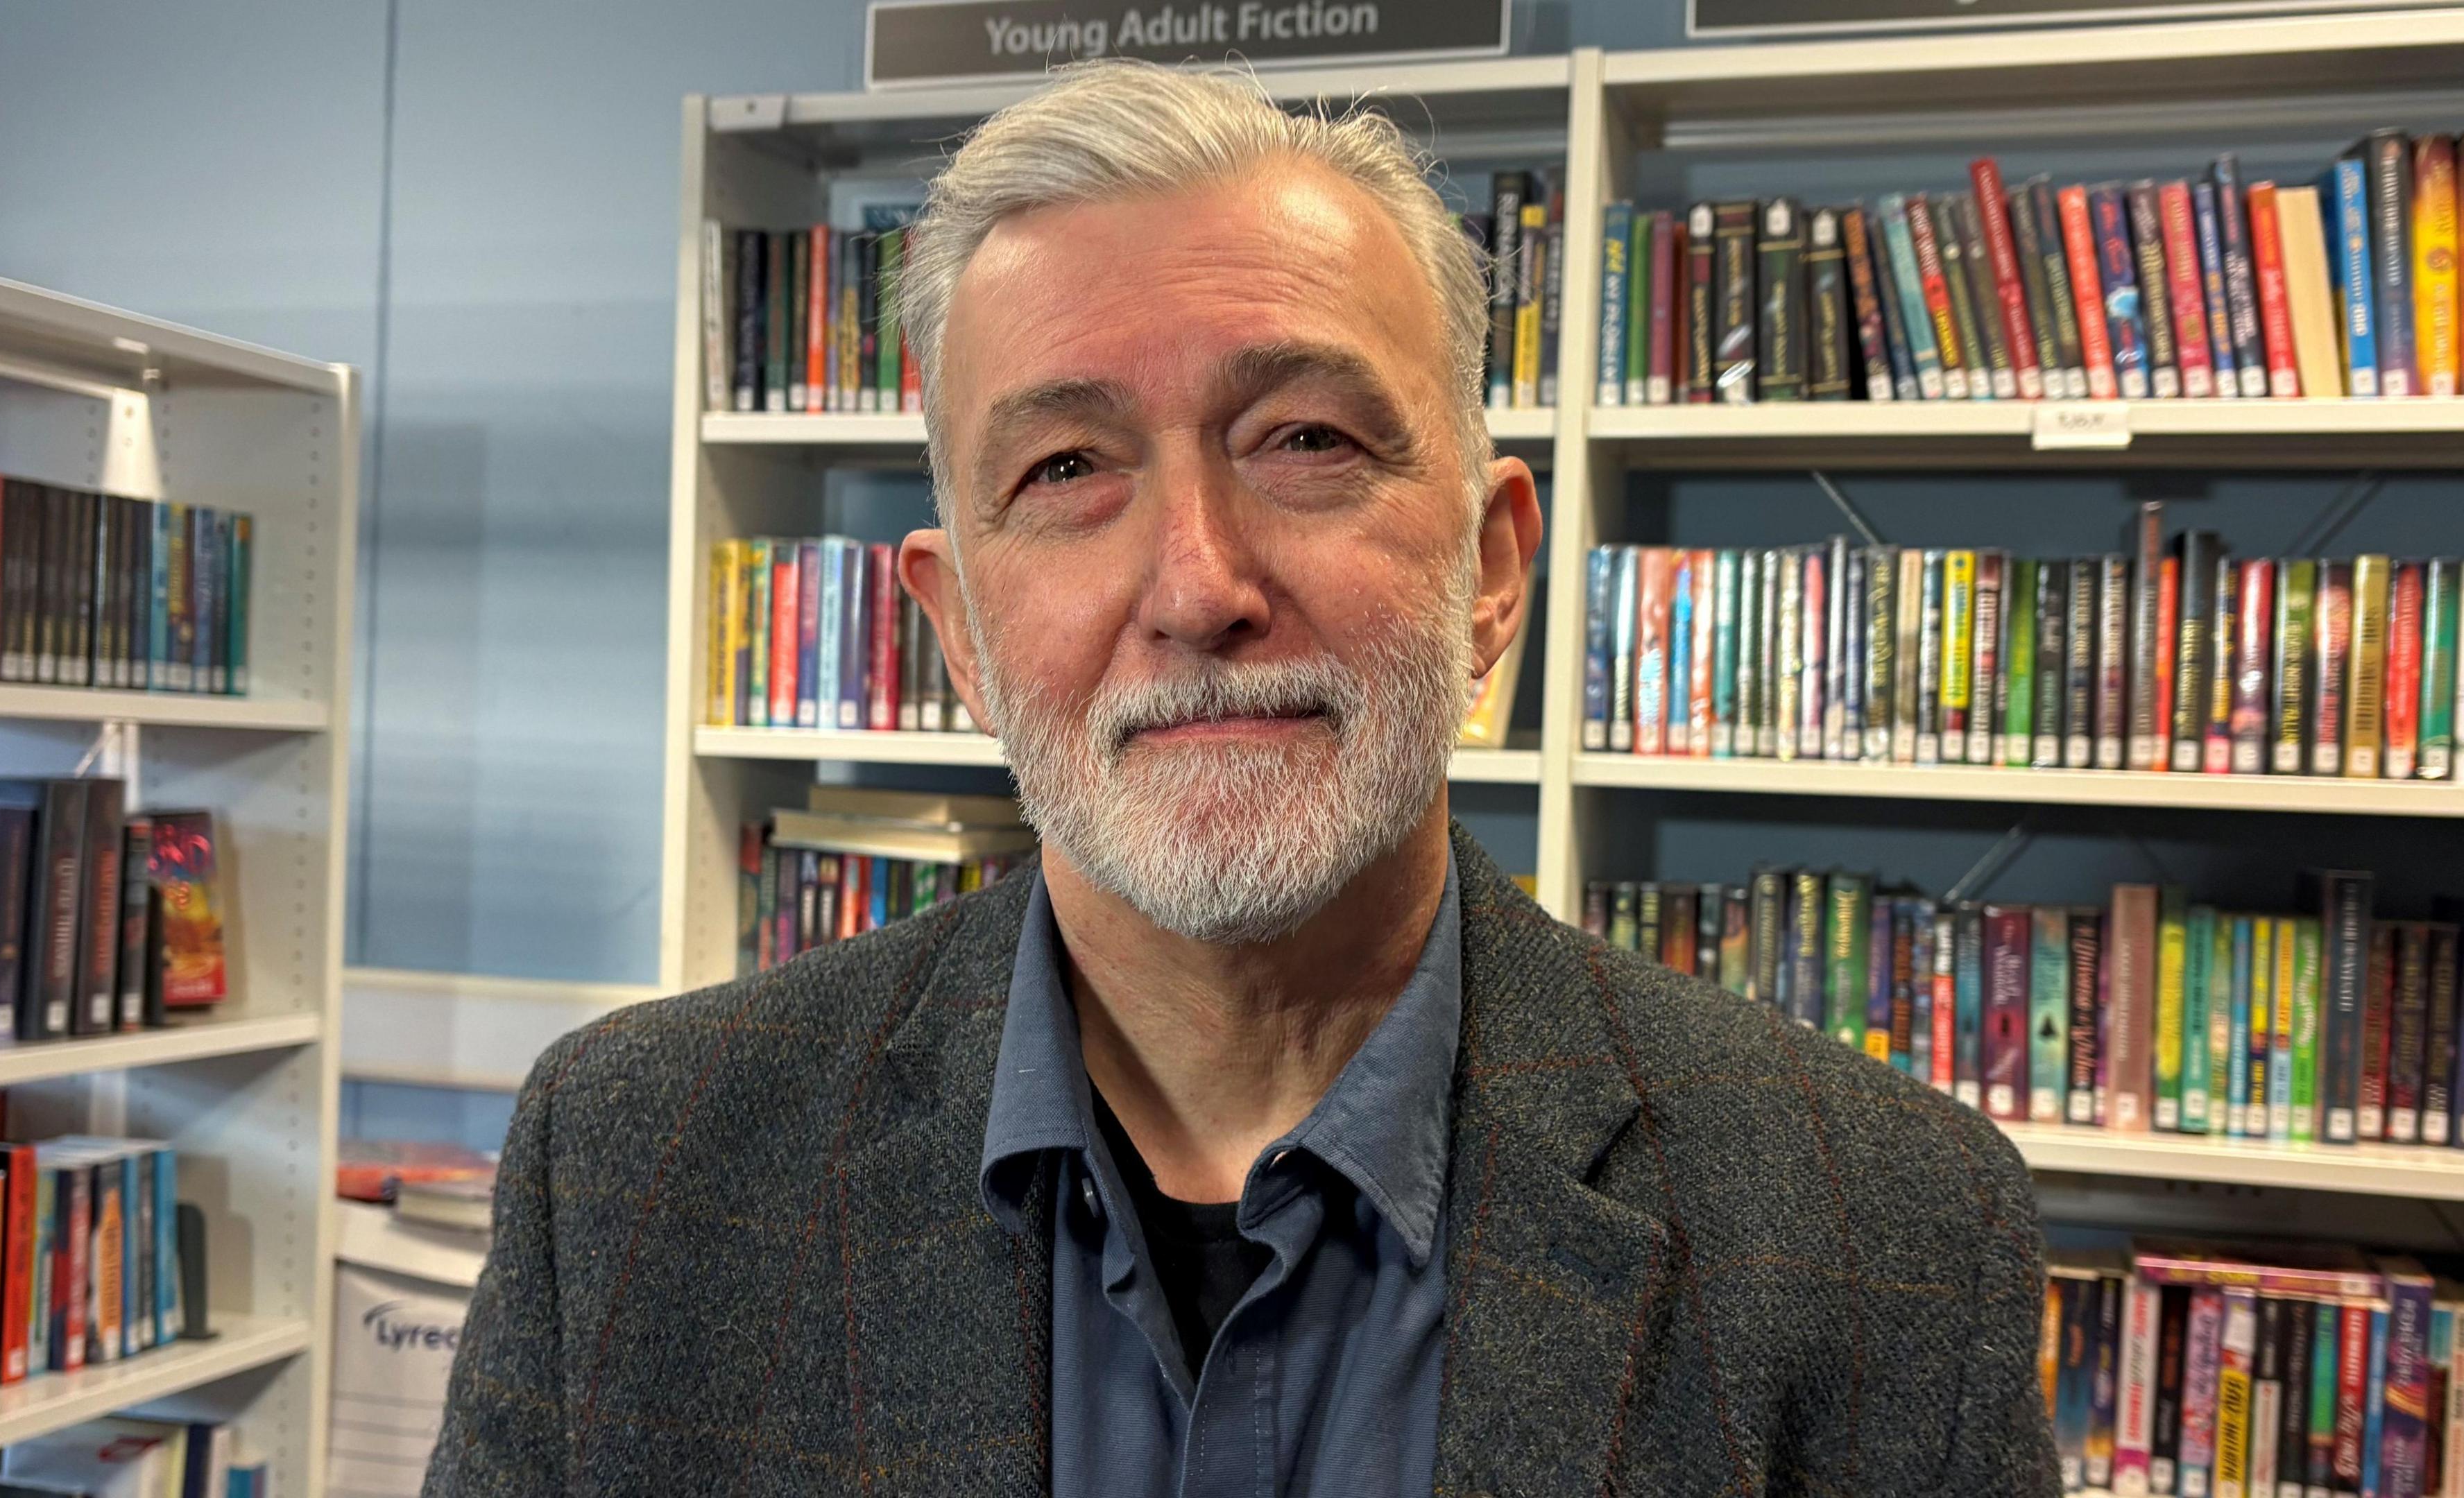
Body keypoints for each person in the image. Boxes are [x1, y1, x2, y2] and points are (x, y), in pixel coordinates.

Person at [425, 60, 2057, 1498]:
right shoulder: (635, 1175)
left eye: (1307, 442)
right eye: (1066, 469)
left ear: (1493, 574)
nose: (1199, 583)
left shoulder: (1887, 1237)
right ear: (961, 635)